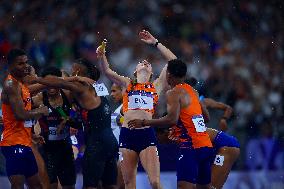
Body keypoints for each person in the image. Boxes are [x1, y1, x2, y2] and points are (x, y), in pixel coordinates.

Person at [97, 30, 177, 189]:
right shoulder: (127, 84)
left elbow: (174, 61)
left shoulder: (156, 86)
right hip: (127, 135)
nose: (145, 62)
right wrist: (101, 56)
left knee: (155, 182)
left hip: (146, 134)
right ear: (135, 71)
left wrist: (155, 42)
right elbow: (106, 71)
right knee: (128, 184)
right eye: (141, 62)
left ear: (152, 72)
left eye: (148, 63)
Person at [29, 58, 118, 189]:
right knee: (109, 185)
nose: (70, 75)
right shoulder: (97, 85)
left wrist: (36, 79)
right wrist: (70, 120)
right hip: (110, 141)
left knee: (90, 186)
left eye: (71, 72)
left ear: (77, 72)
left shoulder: (77, 88)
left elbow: (56, 82)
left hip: (96, 143)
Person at [128, 59, 213, 189]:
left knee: (184, 186)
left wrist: (145, 122)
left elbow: (171, 119)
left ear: (168, 75)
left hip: (190, 147)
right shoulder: (193, 91)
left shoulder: (173, 93)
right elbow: (206, 117)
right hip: (206, 145)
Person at [0, 49, 49, 189]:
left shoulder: (21, 85)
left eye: (26, 62)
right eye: (20, 64)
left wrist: (31, 134)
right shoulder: (11, 85)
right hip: (13, 144)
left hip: (25, 142)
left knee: (37, 186)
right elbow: (20, 115)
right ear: (10, 66)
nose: (25, 66)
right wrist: (41, 110)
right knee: (18, 186)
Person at [32, 67, 76, 189]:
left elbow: (87, 87)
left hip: (65, 148)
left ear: (60, 82)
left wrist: (69, 120)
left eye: (54, 83)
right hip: (47, 150)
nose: (51, 87)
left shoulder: (68, 94)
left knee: (69, 185)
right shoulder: (39, 99)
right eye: (47, 83)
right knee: (50, 185)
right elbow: (20, 108)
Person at [110, 83, 124, 189]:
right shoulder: (119, 108)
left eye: (114, 91)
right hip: (113, 152)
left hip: (123, 152)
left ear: (123, 90)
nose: (111, 94)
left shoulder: (126, 108)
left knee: (120, 186)